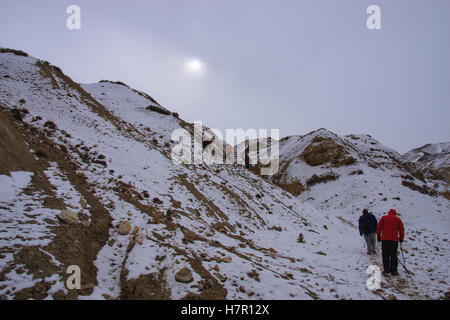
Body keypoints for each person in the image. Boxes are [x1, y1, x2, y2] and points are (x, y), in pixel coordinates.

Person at [376, 209, 405, 276]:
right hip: (394, 240)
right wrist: (401, 238)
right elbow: (401, 230)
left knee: (385, 254)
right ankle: (394, 271)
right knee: (393, 255)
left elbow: (379, 226)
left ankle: (386, 270)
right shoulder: (398, 219)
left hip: (385, 239)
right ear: (395, 213)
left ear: (388, 213)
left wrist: (378, 235)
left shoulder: (384, 218)